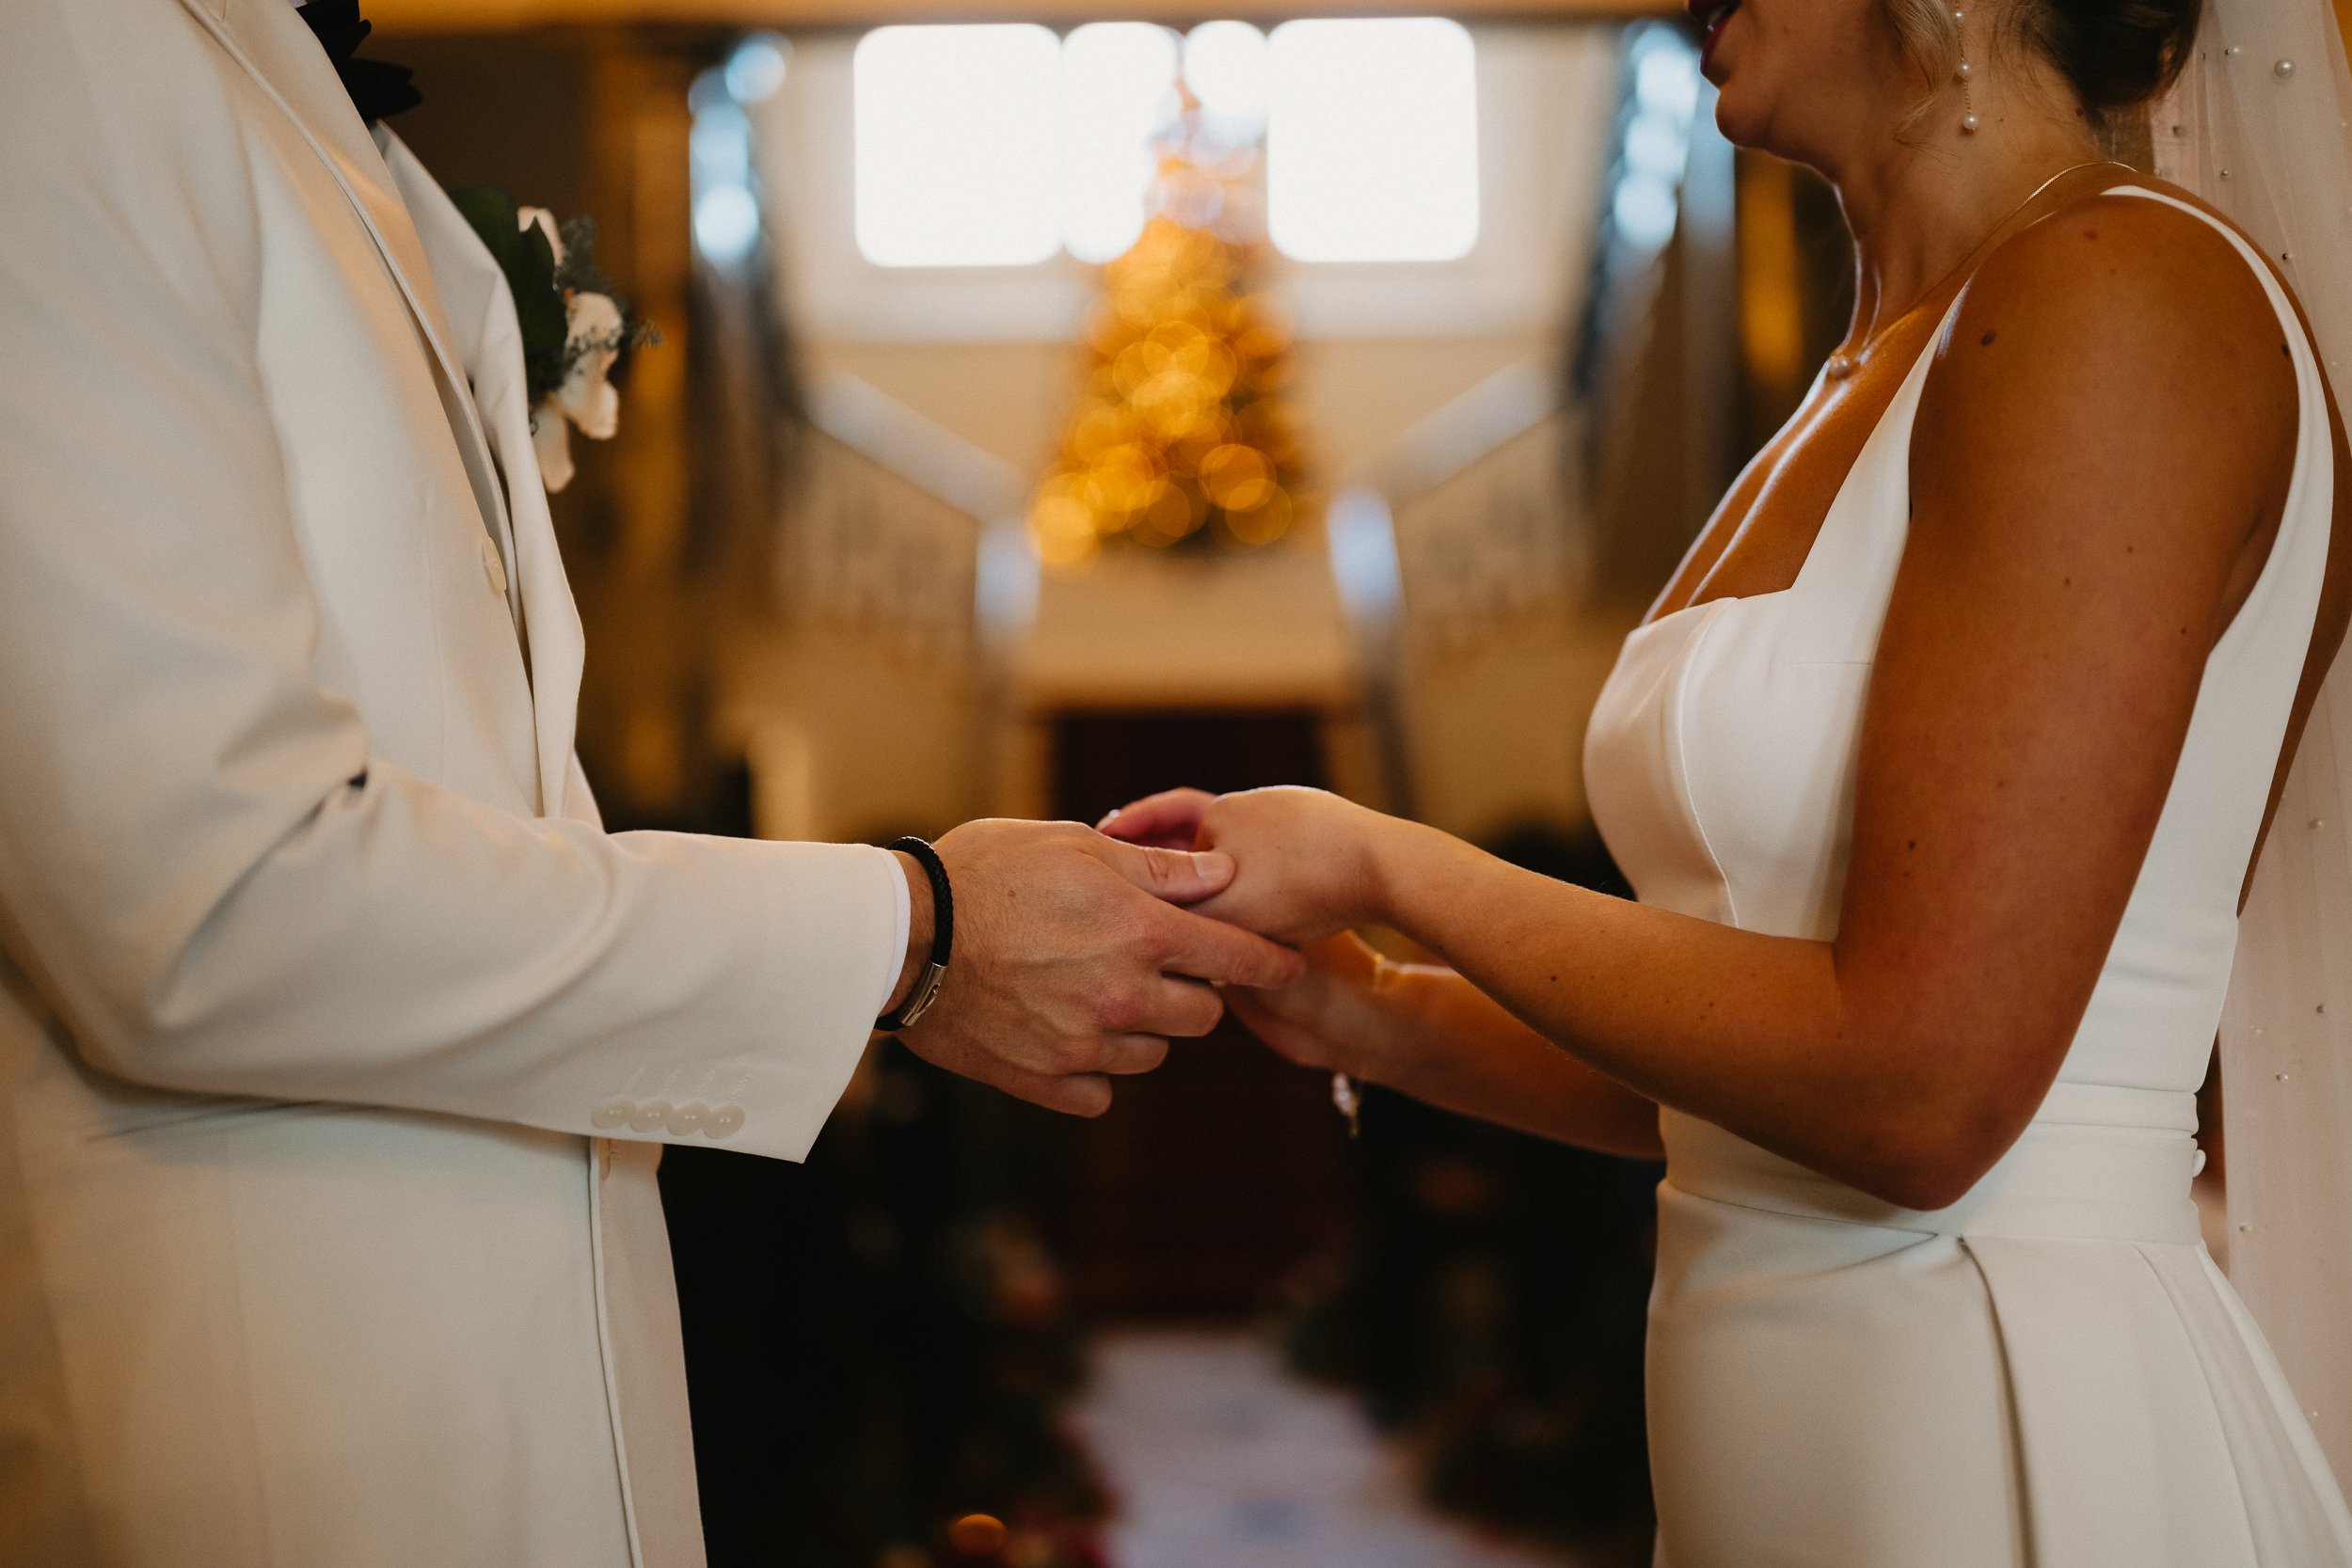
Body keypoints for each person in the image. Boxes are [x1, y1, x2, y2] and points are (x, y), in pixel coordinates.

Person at [0, 2, 1298, 1563]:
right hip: (269, 1430)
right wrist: (916, 925)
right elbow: (200, 898)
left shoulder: (307, 109)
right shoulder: (65, 52)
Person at [1105, 0, 2352, 1560]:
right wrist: (1380, 1010)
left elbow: (1922, 1090)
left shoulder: (2121, 296)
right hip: (1787, 1417)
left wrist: (1387, 863)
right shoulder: (1866, 371)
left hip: (1988, 1408)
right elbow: (1746, 1072)